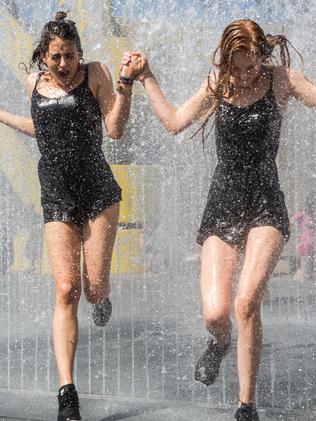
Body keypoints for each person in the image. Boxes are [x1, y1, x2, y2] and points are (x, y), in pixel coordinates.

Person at [122, 19, 316, 421]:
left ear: (263, 57)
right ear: (226, 61)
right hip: (222, 205)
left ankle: (246, 405)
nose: (245, 76)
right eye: (237, 67)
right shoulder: (217, 84)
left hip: (266, 205)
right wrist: (147, 77)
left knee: (246, 303)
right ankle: (220, 341)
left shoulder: (281, 80)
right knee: (215, 314)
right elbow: (175, 123)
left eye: (252, 67)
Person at [0, 11, 143, 421]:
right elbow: (42, 126)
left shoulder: (95, 74)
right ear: (43, 57)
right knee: (66, 289)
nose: (64, 65)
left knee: (93, 288)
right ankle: (67, 393)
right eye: (56, 57)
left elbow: (114, 130)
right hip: (57, 197)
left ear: (80, 53)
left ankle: (103, 298)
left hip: (98, 193)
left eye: (70, 56)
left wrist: (126, 85)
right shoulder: (34, 84)